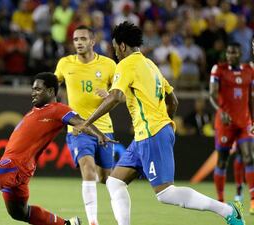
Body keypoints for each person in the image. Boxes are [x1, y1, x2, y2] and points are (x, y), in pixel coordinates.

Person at [74, 21, 246, 225]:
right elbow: (172, 100)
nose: (115, 53)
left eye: (114, 47)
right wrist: (164, 124)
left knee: (166, 193)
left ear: (121, 46)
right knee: (114, 181)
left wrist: (86, 122)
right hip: (147, 134)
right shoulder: (150, 64)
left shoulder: (127, 64)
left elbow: (115, 97)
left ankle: (228, 211)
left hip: (151, 133)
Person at [0, 72, 115, 225]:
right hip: (20, 168)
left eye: (38, 89)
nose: (33, 93)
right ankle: (67, 224)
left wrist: (99, 135)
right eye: (32, 89)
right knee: (19, 213)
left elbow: (81, 122)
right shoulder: (37, 110)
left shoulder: (59, 109)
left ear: (50, 91)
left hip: (15, 165)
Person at [54, 25, 117, 225]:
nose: (78, 43)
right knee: (87, 168)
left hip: (104, 128)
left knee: (107, 178)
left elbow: (121, 94)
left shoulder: (109, 65)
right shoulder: (65, 64)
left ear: (92, 41)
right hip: (78, 128)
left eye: (82, 39)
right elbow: (51, 87)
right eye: (75, 39)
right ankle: (93, 221)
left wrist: (109, 95)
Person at [209, 42, 254, 213]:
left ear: (240, 53)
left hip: (244, 123)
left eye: (234, 53)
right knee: (222, 161)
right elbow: (212, 94)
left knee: (249, 157)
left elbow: (251, 98)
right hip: (225, 123)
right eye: (228, 52)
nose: (230, 56)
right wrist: (221, 110)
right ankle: (220, 201)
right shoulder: (218, 70)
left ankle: (253, 201)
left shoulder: (249, 71)